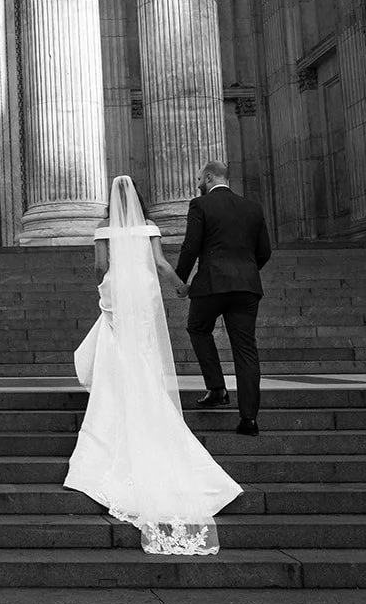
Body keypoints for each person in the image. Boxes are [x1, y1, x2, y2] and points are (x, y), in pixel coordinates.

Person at [65, 175, 243, 556]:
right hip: (144, 292)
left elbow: (99, 267)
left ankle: (119, 412)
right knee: (144, 353)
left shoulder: (103, 229)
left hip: (117, 291)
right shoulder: (150, 227)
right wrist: (182, 285)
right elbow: (160, 264)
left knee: (118, 352)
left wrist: (105, 285)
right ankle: (151, 409)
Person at [175, 160, 272, 436]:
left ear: (208, 176)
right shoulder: (253, 208)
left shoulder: (200, 205)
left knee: (197, 328)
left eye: (199, 179)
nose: (197, 185)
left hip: (211, 285)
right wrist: (246, 273)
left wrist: (181, 281)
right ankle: (249, 419)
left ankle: (217, 388)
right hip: (246, 287)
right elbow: (264, 251)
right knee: (246, 349)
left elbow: (191, 246)